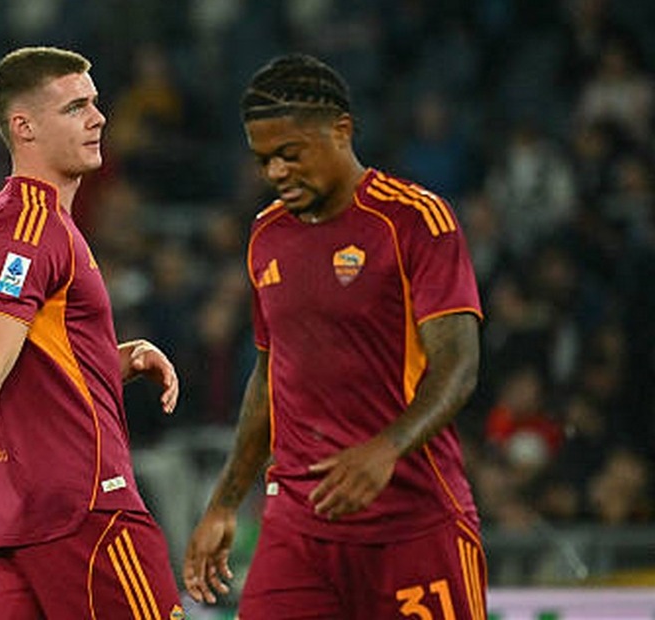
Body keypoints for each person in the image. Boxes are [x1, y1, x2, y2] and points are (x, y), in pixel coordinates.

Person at [182, 54, 487, 619]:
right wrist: (225, 503)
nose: (276, 172)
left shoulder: (416, 220)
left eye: (290, 153)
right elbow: (269, 378)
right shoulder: (266, 236)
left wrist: (385, 448)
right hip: (297, 530)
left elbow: (458, 367)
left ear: (341, 131)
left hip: (412, 522)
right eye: (264, 160)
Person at [0, 46, 186, 619]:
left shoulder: (10, 217)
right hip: (84, 511)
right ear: (23, 127)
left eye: (95, 103)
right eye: (75, 107)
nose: (98, 118)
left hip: (24, 520)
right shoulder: (29, 226)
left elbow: (25, 361)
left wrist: (113, 359)